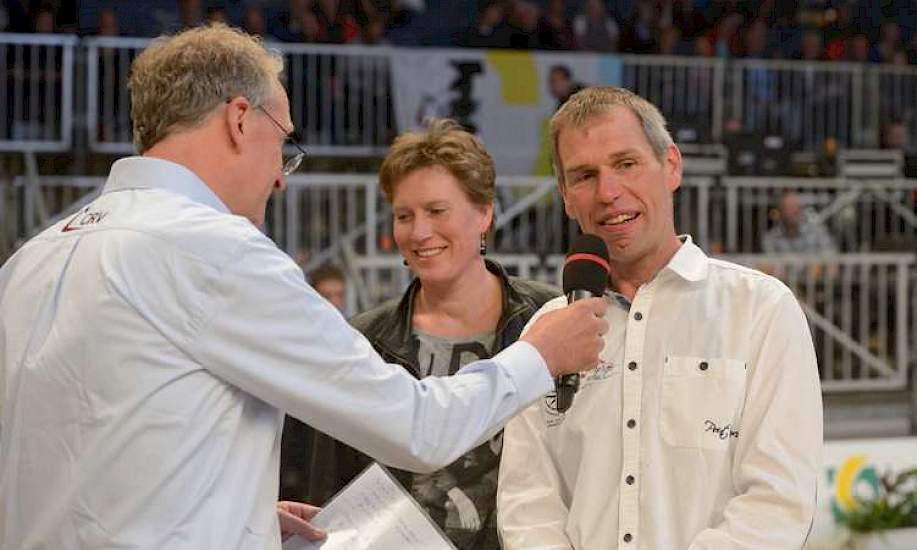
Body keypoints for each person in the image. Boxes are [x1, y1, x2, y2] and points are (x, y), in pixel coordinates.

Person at [0, 24, 608, 550]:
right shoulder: (216, 250)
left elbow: (82, 455)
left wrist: (236, 514)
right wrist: (539, 355)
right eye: (283, 144)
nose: (280, 178)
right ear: (241, 119)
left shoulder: (32, 258)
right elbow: (418, 429)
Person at [496, 87, 823, 549]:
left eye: (626, 164)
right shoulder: (547, 331)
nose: (609, 193)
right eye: (585, 176)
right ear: (567, 196)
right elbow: (528, 503)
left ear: (671, 165)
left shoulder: (762, 310)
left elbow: (778, 503)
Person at [288, 118, 562, 550]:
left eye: (437, 211)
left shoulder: (549, 320)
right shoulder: (362, 340)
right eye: (404, 215)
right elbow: (332, 493)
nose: (419, 232)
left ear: (484, 213)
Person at [762, 190, 838, 255]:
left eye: (798, 207)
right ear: (781, 211)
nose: (796, 211)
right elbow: (770, 267)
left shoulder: (818, 232)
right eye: (790, 208)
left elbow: (831, 257)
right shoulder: (771, 238)